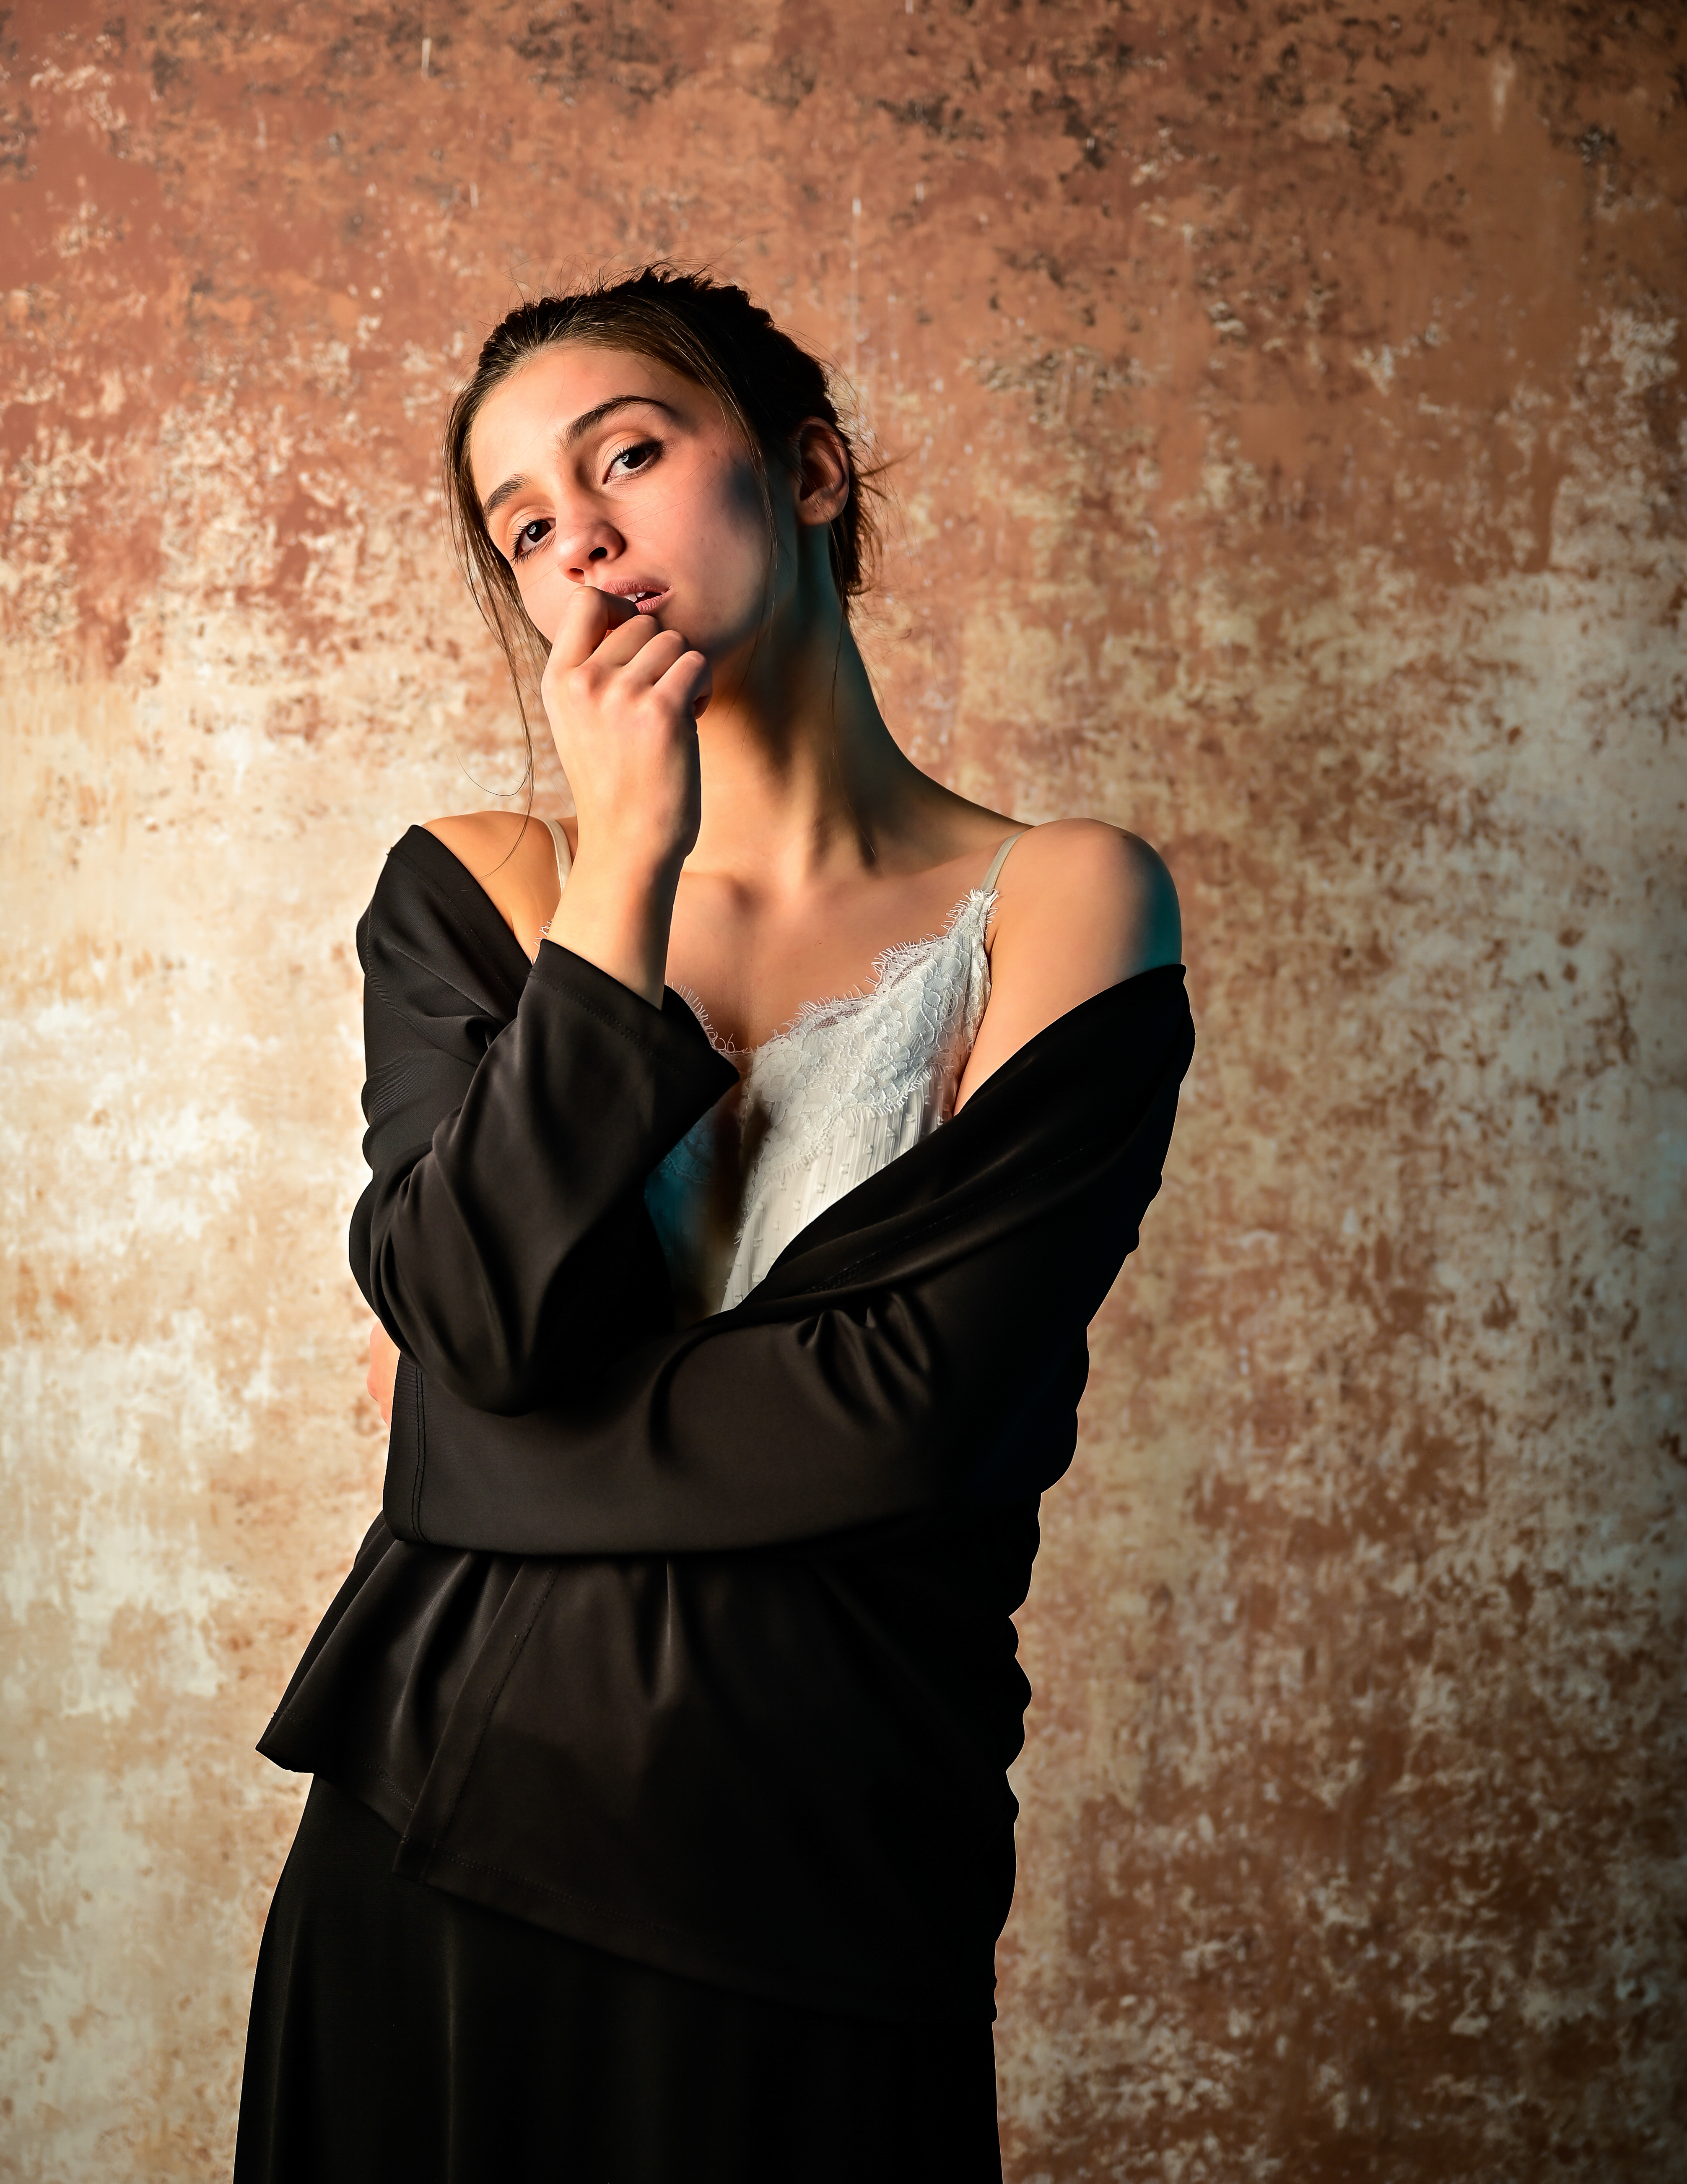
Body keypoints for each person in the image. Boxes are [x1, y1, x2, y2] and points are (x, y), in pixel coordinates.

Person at [234, 267, 1193, 2182]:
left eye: (633, 454)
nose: (578, 532)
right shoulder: (484, 887)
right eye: (524, 522)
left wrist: (455, 1444)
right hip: (437, 1816)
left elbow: (908, 1416)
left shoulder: (1062, 900)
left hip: (826, 1851)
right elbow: (487, 1318)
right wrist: (630, 869)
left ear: (809, 472)